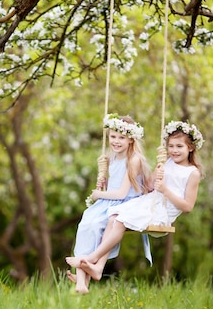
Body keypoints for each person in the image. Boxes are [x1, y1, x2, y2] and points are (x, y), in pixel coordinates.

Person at [66, 120, 204, 284]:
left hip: (163, 211)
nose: (174, 150)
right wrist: (157, 171)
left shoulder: (192, 173)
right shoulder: (167, 162)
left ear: (191, 147)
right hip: (149, 201)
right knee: (113, 216)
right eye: (171, 146)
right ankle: (98, 268)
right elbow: (150, 186)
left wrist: (165, 190)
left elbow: (188, 206)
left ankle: (92, 257)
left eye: (179, 146)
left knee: (120, 220)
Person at [68, 113, 151, 294]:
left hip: (124, 203)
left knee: (97, 224)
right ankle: (81, 282)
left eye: (121, 138)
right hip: (108, 202)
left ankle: (86, 273)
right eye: (113, 136)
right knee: (86, 225)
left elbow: (122, 193)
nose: (116, 141)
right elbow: (114, 184)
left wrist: (99, 194)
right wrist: (103, 182)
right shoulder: (111, 157)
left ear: (130, 139)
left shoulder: (134, 159)